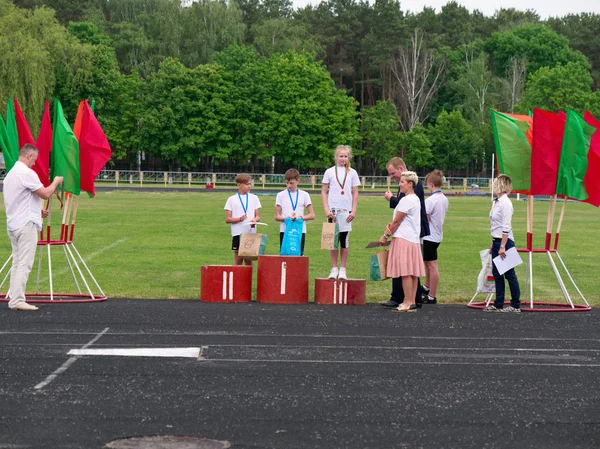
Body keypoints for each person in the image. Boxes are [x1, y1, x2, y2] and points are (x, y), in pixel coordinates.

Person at [3, 144, 63, 311]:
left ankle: (15, 298)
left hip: (14, 223)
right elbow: (45, 193)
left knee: (17, 262)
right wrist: (56, 182)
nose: (34, 163)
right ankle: (17, 300)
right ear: (29, 156)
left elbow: (21, 198)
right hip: (25, 224)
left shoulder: (10, 175)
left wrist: (37, 211)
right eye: (34, 160)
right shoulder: (27, 173)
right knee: (24, 263)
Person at [380, 157, 429, 308]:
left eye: (401, 182)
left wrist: (385, 235)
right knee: (412, 271)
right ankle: (411, 300)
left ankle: (407, 301)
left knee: (405, 271)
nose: (398, 183)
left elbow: (397, 221)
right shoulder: (413, 198)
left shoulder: (409, 197)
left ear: (409, 183)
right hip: (411, 236)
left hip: (404, 237)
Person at [321, 145, 360, 280]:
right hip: (332, 212)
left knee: (344, 240)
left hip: (346, 212)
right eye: (341, 156)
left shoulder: (352, 173)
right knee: (332, 241)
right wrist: (326, 209)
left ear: (348, 157)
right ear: (336, 157)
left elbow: (355, 193)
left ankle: (343, 269)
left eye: (346, 156)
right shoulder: (329, 172)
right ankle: (333, 268)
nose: (343, 158)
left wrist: (353, 210)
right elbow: (323, 191)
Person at [484, 174, 521, 313]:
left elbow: (506, 226)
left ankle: (515, 305)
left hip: (505, 242)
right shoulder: (496, 202)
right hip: (497, 240)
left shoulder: (505, 203)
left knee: (509, 273)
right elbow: (496, 225)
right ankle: (498, 303)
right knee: (497, 273)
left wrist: (502, 246)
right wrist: (492, 242)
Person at [422, 169, 449, 304]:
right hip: (437, 234)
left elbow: (425, 220)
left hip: (429, 236)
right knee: (428, 263)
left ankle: (432, 295)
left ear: (431, 184)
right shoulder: (444, 198)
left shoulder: (431, 200)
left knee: (432, 265)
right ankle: (427, 287)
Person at [275, 169, 315, 255]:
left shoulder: (305, 195)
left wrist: (300, 218)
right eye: (287, 183)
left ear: (298, 181)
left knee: (299, 256)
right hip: (285, 230)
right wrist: (285, 218)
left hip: (299, 230)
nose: (289, 185)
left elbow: (312, 215)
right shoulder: (280, 195)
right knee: (285, 256)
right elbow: (277, 216)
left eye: (291, 183)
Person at [224, 173, 261, 266]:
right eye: (247, 184)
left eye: (250, 184)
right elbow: (228, 219)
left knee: (249, 260)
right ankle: (237, 280)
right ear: (239, 185)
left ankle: (248, 280)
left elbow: (258, 216)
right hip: (237, 233)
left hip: (250, 233)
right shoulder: (231, 199)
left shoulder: (254, 198)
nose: (249, 186)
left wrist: (254, 220)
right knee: (238, 260)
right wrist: (239, 219)